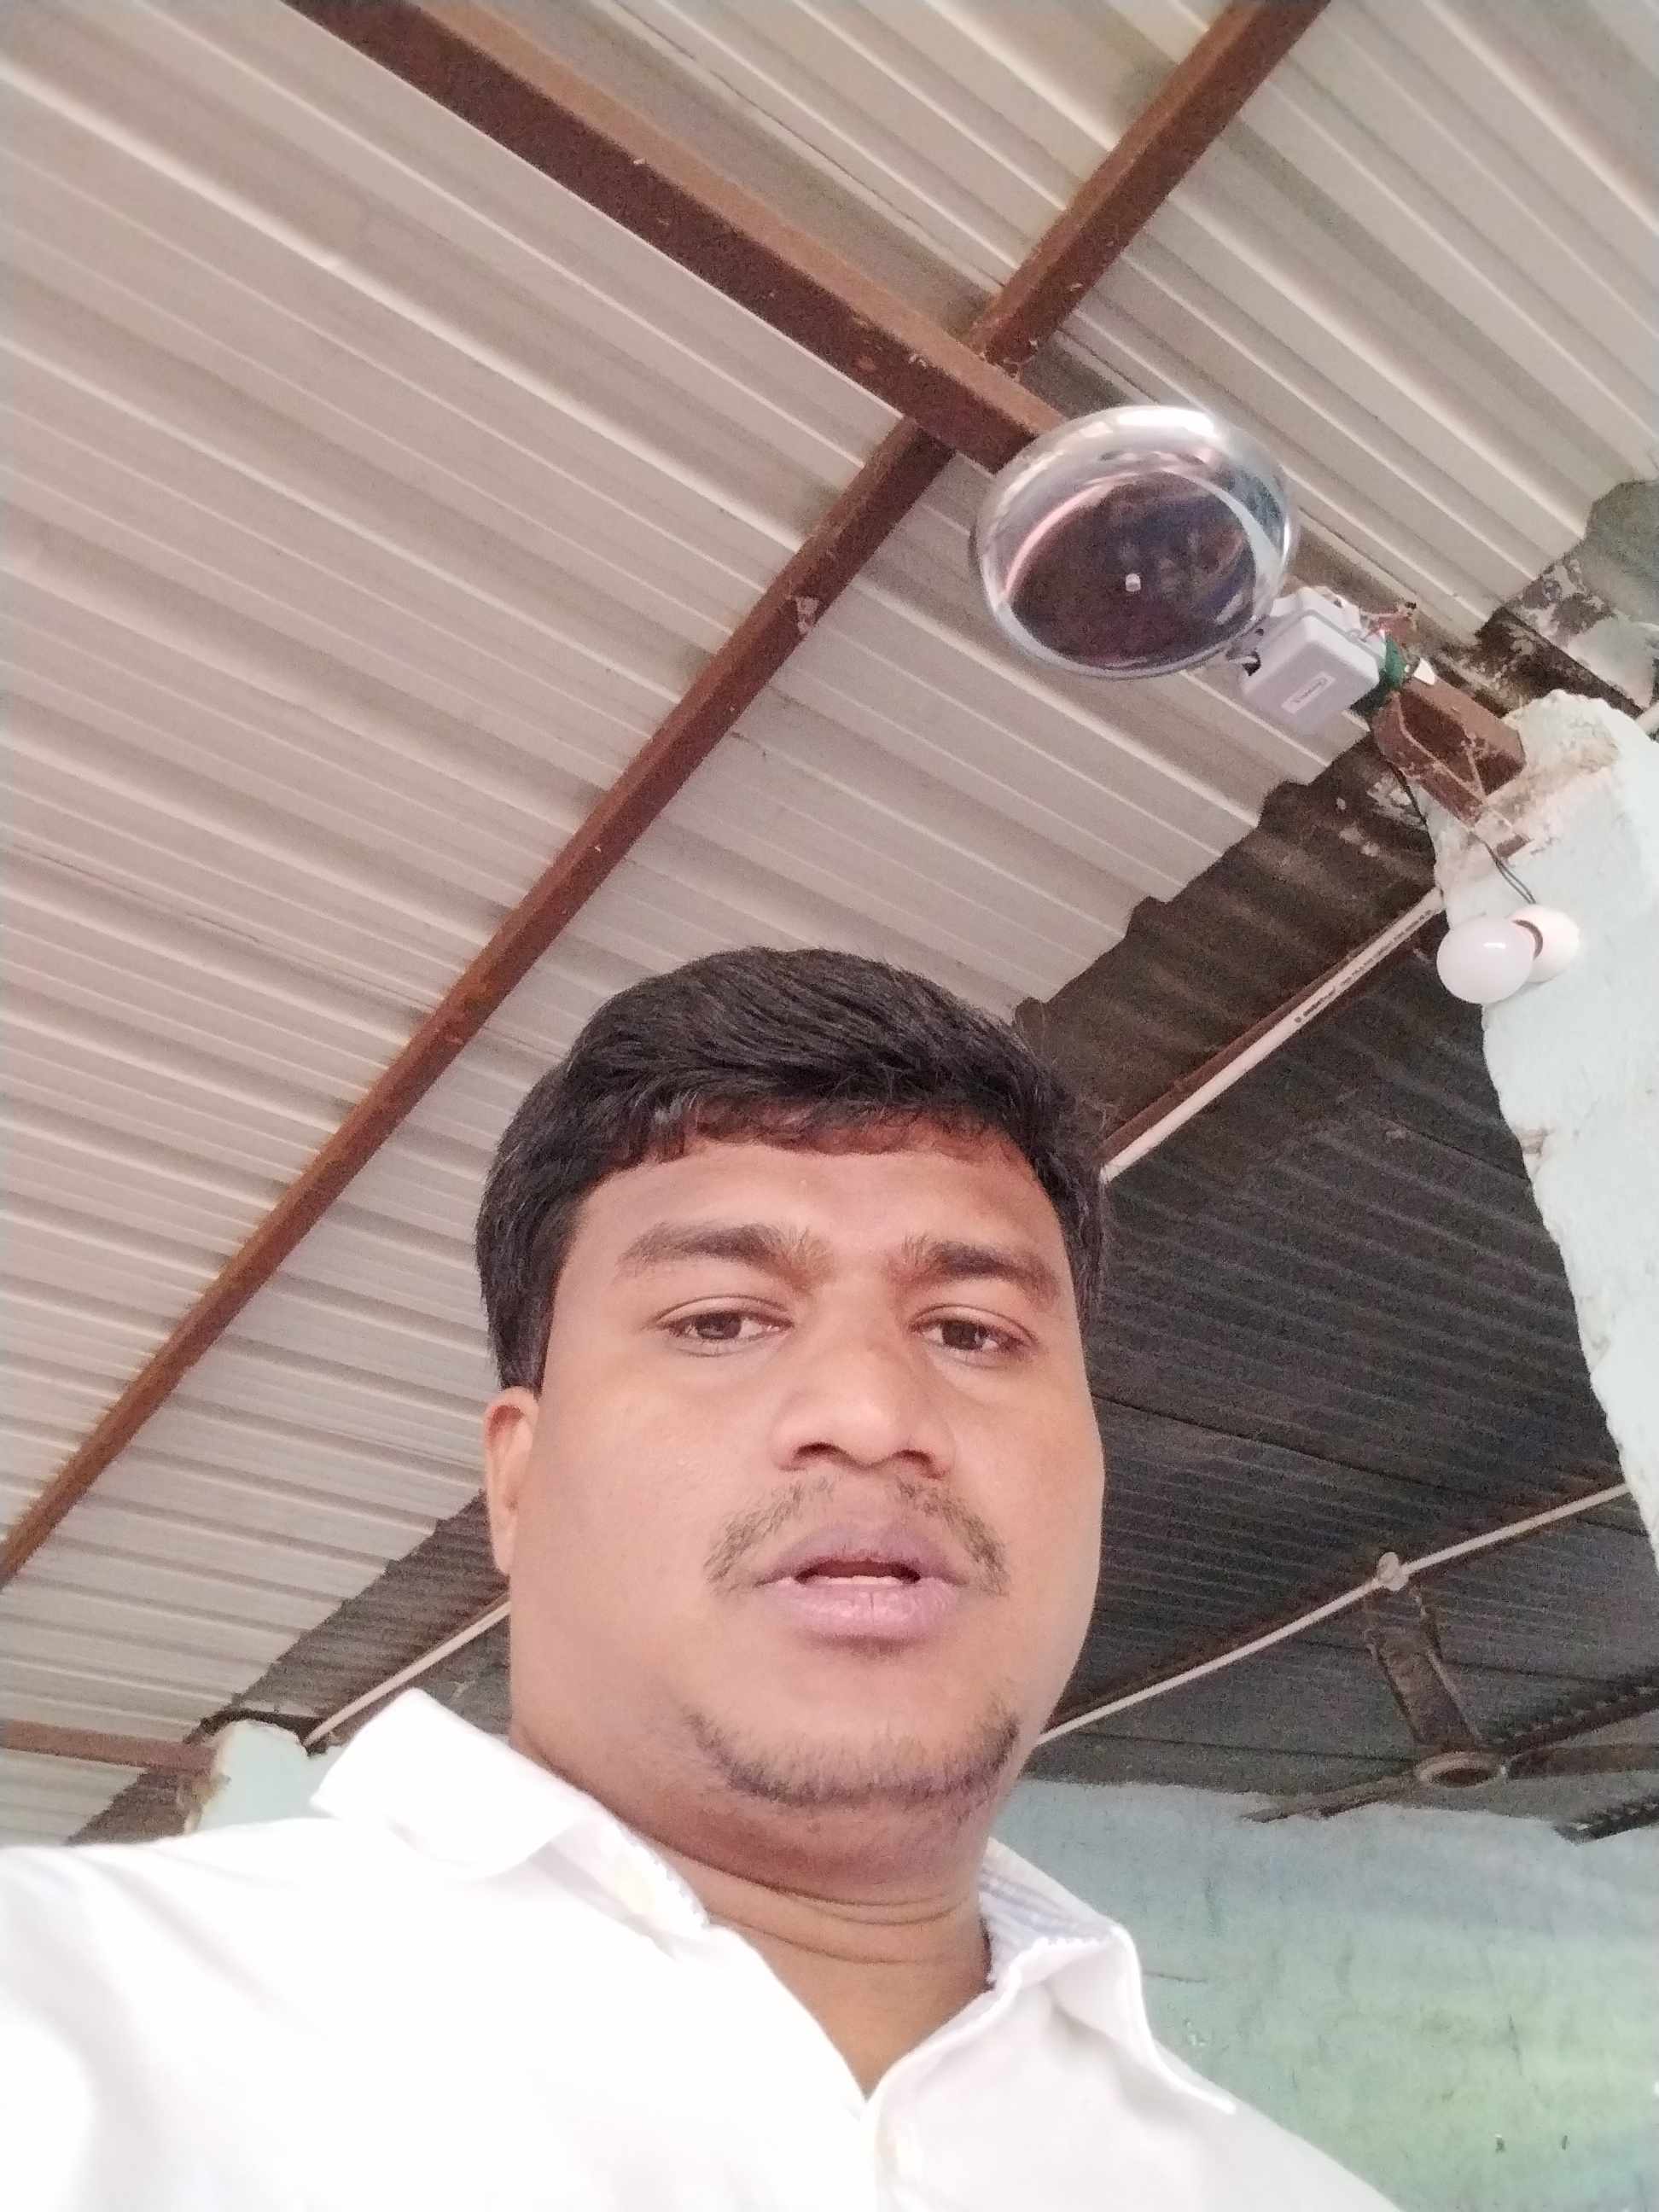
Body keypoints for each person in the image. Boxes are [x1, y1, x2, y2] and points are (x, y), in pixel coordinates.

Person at [0, 949, 1394, 2209]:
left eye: (971, 1332)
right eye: (721, 1320)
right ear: (516, 1480)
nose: (871, 1411)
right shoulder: (71, 2022)